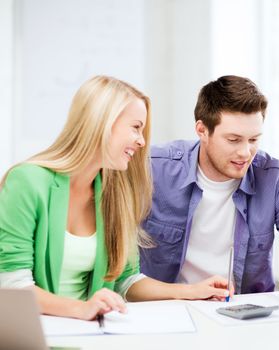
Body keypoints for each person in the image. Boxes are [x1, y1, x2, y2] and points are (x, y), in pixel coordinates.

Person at [0, 76, 230, 321]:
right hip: (40, 331)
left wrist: (190, 291)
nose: (142, 141)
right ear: (102, 123)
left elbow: (126, 280)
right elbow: (12, 283)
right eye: (135, 127)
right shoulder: (27, 181)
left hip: (90, 332)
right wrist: (82, 308)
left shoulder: (115, 191)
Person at [140, 75, 279, 310]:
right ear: (202, 130)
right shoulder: (153, 169)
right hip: (168, 308)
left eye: (254, 139)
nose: (245, 152)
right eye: (233, 140)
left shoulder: (275, 178)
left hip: (244, 313)